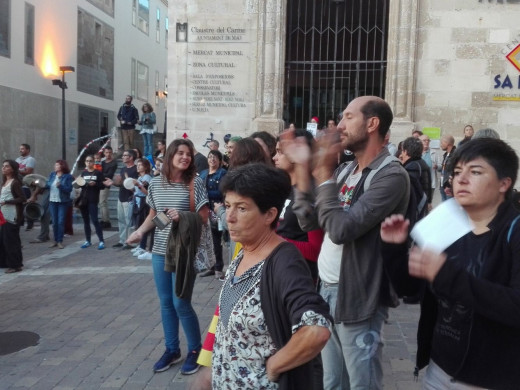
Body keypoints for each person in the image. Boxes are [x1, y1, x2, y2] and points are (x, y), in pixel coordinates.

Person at [284, 96, 410, 390]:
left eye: (348, 117)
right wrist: (303, 169)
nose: (339, 126)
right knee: (332, 382)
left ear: (372, 124)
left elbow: (341, 230)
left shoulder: (390, 175)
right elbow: (308, 222)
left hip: (357, 296)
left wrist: (324, 174)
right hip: (325, 290)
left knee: (361, 384)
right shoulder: (345, 171)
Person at [380, 138, 520, 389]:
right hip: (439, 370)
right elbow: (410, 290)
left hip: (490, 378)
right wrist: (394, 249)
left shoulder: (513, 232)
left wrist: (447, 274)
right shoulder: (446, 221)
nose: (461, 179)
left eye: (475, 172)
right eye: (457, 172)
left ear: (504, 183)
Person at [201, 163, 331, 389]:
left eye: (241, 208)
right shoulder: (245, 250)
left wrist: (273, 367)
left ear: (270, 214)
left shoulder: (283, 262)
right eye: (228, 205)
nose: (229, 217)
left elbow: (316, 330)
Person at [127, 138, 209, 375]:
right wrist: (140, 232)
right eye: (180, 153)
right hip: (160, 252)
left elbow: (204, 218)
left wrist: (181, 216)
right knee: (165, 304)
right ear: (171, 155)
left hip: (184, 252)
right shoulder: (156, 183)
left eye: (189, 154)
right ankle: (172, 349)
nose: (185, 157)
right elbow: (155, 214)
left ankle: (195, 350)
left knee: (180, 302)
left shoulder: (195, 183)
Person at [273, 130, 324, 283]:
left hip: (300, 277)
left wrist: (274, 241)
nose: (274, 157)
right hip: (279, 269)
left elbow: (316, 250)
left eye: (280, 152)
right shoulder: (282, 188)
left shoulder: (311, 193)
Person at [198, 150, 227, 280]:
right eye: (210, 157)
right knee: (205, 240)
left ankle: (218, 267)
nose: (212, 159)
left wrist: (209, 196)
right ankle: (210, 266)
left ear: (220, 160)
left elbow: (223, 192)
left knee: (216, 240)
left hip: (216, 209)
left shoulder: (222, 174)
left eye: (215, 157)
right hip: (203, 210)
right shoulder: (203, 173)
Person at [104, 149, 138, 249]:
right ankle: (122, 240)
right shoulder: (123, 169)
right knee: (121, 220)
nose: (122, 157)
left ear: (131, 157)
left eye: (125, 155)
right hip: (121, 197)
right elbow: (121, 184)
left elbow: (134, 185)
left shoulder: (135, 169)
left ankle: (131, 242)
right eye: (123, 155)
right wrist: (113, 183)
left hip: (129, 198)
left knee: (130, 221)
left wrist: (128, 181)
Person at [0, 160, 25, 273]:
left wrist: (7, 201)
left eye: (6, 166)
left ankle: (15, 265)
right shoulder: (5, 182)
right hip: (3, 215)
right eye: (3, 166)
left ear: (12, 169)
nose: (3, 168)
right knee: (4, 240)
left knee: (11, 241)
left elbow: (21, 198)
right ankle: (6, 262)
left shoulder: (15, 182)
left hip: (12, 215)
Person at [78, 155, 105, 250]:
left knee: (95, 220)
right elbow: (80, 184)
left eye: (90, 161)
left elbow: (102, 185)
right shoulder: (83, 173)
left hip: (93, 199)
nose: (88, 162)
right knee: (86, 221)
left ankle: (101, 240)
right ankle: (88, 240)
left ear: (93, 162)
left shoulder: (98, 173)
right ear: (85, 162)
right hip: (84, 199)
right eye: (87, 161)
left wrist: (95, 184)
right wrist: (80, 183)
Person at [130, 158, 154, 260]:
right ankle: (141, 245)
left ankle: (144, 247)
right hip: (138, 201)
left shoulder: (147, 178)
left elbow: (147, 192)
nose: (138, 167)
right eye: (137, 165)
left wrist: (138, 185)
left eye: (140, 165)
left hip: (144, 202)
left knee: (144, 223)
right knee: (139, 223)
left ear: (145, 167)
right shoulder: (140, 177)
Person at [47, 160, 73, 249]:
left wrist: (60, 186)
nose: (55, 166)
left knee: (60, 221)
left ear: (62, 166)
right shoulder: (52, 174)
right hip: (52, 201)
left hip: (63, 201)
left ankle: (60, 241)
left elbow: (69, 189)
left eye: (57, 165)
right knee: (54, 222)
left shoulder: (67, 176)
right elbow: (48, 183)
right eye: (55, 165)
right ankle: (55, 240)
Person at [16, 143, 36, 230]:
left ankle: (30, 223)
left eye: (23, 149)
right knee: (18, 203)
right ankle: (20, 222)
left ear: (28, 150)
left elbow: (28, 171)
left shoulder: (30, 159)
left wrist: (17, 170)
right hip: (18, 184)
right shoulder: (17, 159)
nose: (20, 150)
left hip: (26, 185)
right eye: (20, 148)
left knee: (27, 204)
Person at [99, 146, 117, 229]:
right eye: (106, 152)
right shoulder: (102, 162)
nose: (108, 154)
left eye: (109, 152)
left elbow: (109, 175)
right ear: (104, 153)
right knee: (101, 203)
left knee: (103, 202)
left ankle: (106, 221)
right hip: (100, 184)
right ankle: (103, 219)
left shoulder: (113, 163)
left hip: (106, 184)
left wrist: (100, 176)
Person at [419, 134, 436, 212]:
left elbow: (440, 166)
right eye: (424, 140)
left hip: (430, 183)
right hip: (419, 182)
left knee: (428, 203)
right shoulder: (417, 152)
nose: (426, 142)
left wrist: (437, 166)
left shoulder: (434, 152)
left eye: (428, 140)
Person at [438, 134, 456, 201]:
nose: (441, 145)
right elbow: (445, 169)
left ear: (447, 143)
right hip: (443, 185)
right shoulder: (446, 154)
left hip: (449, 188)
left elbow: (453, 171)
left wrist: (449, 185)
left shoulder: (455, 155)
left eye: (442, 143)